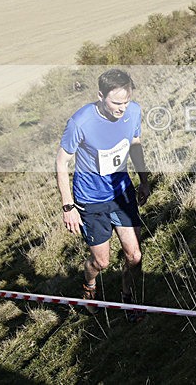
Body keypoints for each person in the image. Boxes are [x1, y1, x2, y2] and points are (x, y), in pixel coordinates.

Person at [56, 68, 151, 322]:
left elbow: (134, 144)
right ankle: (89, 285)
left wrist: (143, 180)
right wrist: (68, 207)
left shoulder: (134, 112)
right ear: (100, 95)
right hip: (91, 200)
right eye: (116, 102)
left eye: (126, 101)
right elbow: (62, 162)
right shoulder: (81, 122)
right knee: (102, 262)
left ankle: (127, 297)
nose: (122, 108)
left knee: (135, 255)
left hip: (122, 192)